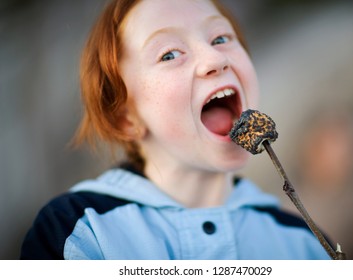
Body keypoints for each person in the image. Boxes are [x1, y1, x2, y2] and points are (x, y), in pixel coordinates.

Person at [20, 0, 330, 260]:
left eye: (221, 38)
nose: (215, 59)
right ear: (126, 118)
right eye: (169, 54)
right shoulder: (80, 232)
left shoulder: (303, 244)